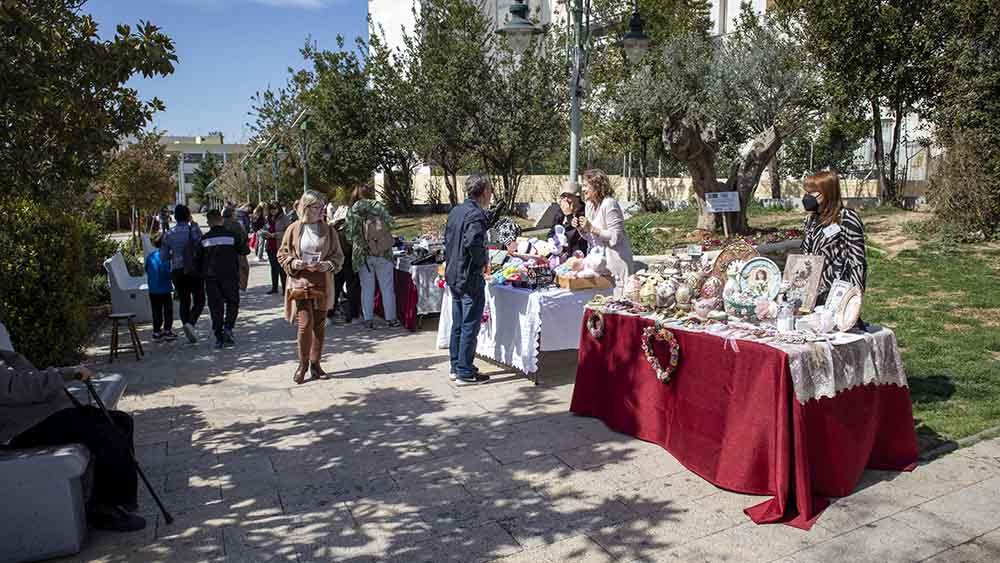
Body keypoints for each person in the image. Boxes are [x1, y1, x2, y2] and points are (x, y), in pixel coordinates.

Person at [0, 351, 144, 531]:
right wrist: (67, 373)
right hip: (19, 428)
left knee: (122, 421)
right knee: (106, 433)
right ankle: (104, 510)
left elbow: (26, 376)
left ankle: (122, 499)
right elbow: (20, 387)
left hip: (40, 415)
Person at [278, 190, 345, 384]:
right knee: (304, 324)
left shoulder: (329, 230)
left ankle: (316, 364)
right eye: (317, 207)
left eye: (322, 207)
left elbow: (338, 256)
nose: (321, 210)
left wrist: (327, 265)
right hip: (300, 282)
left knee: (319, 325)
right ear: (306, 208)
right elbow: (282, 254)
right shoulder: (293, 229)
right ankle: (303, 364)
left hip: (322, 282)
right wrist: (293, 263)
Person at [444, 174, 493, 386]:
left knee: (458, 323)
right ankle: (464, 370)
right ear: (483, 192)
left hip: (454, 273)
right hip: (467, 274)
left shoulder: (457, 211)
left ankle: (457, 366)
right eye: (490, 190)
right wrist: (482, 262)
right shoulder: (475, 214)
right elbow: (473, 241)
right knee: (468, 325)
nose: (491, 194)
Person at [799, 170, 868, 305]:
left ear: (827, 193)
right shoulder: (810, 220)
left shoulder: (846, 218)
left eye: (811, 193)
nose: (807, 197)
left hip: (836, 293)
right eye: (806, 192)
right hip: (811, 291)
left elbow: (857, 261)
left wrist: (854, 297)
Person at [346, 185, 400, 329]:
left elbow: (349, 235)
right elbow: (391, 224)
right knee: (387, 288)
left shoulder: (353, 210)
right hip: (384, 253)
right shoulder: (378, 206)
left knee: (367, 289)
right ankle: (391, 319)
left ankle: (368, 320)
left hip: (364, 255)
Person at [576, 168, 635, 291]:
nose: (583, 189)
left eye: (586, 185)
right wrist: (581, 229)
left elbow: (615, 237)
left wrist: (591, 228)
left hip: (616, 266)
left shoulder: (609, 204)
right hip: (599, 266)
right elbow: (592, 239)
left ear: (596, 186)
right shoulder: (589, 205)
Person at [200, 209, 246, 349]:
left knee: (215, 307)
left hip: (211, 277)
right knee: (233, 302)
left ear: (209, 222)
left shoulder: (204, 239)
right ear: (221, 219)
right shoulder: (232, 236)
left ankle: (219, 336)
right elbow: (244, 252)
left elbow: (198, 260)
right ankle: (228, 328)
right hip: (230, 276)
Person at [160, 204, 205, 343]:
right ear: (188, 215)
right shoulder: (194, 229)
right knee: (200, 300)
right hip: (194, 268)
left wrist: (175, 254)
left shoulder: (169, 234)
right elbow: (201, 245)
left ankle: (187, 326)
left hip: (177, 270)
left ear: (175, 217)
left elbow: (164, 257)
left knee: (184, 300)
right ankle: (190, 324)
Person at [328, 205, 362, 325]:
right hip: (350, 258)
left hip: (337, 259)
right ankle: (353, 315)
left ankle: (329, 314)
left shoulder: (332, 228)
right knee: (353, 288)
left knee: (335, 287)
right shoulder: (353, 226)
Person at [144, 234, 177, 341]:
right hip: (165, 288)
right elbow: (168, 273)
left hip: (153, 289)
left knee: (156, 311)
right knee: (168, 310)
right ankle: (167, 330)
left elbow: (146, 270)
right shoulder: (167, 257)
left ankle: (156, 332)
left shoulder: (150, 257)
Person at [550, 181, 589, 258]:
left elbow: (574, 237)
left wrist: (569, 216)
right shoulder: (561, 212)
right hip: (561, 255)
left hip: (580, 255)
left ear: (577, 197)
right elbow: (552, 232)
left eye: (569, 196)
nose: (565, 200)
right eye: (563, 196)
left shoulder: (585, 212)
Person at [223, 207, 252, 292]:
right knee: (243, 268)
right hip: (238, 250)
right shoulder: (236, 224)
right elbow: (243, 236)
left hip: (225, 252)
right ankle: (242, 286)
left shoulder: (221, 224)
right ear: (232, 214)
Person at [261, 202, 287, 295]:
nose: (273, 211)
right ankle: (274, 287)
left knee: (282, 268)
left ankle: (285, 289)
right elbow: (264, 229)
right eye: (271, 209)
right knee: (273, 268)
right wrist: (264, 234)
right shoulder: (268, 218)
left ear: (279, 208)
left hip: (280, 246)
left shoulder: (284, 218)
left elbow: (288, 232)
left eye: (275, 209)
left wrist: (275, 235)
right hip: (270, 246)